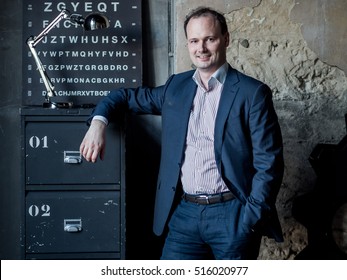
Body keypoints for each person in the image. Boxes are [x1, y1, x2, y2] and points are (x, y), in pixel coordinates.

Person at [80, 7, 284, 260]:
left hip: (232, 214)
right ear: (188, 44)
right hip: (184, 214)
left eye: (210, 39)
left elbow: (269, 163)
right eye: (194, 41)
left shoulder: (252, 93)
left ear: (226, 39)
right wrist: (98, 123)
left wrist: (249, 219)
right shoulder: (176, 87)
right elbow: (123, 97)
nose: (202, 48)